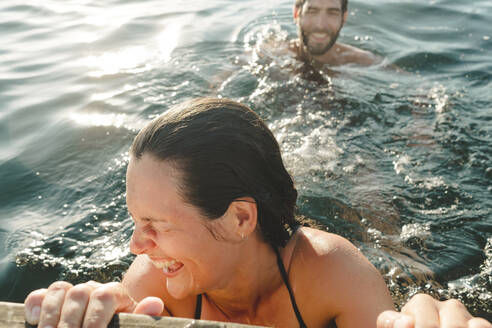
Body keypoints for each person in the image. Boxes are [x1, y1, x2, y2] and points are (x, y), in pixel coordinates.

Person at [24, 98, 491, 328]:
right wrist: (90, 311)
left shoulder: (334, 273)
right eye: (134, 221)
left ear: (241, 219)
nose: (135, 246)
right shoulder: (152, 285)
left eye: (156, 225)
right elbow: (115, 301)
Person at [290, 0, 379, 67]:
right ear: (296, 14)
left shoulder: (364, 62)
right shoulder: (278, 55)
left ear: (343, 18)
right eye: (312, 11)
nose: (320, 25)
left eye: (332, 13)